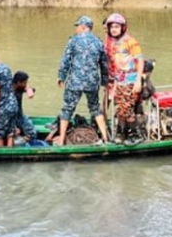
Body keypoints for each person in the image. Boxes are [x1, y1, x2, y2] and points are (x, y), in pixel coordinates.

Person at [56, 16, 110, 146]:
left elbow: (65, 60)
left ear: (83, 26)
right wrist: (105, 82)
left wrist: (61, 77)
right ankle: (105, 138)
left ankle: (62, 139)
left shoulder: (73, 41)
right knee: (95, 108)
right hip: (92, 82)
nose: (76, 29)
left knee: (67, 109)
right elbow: (104, 64)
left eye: (77, 26)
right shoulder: (98, 42)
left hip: (75, 81)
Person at [104, 13, 145, 146]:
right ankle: (121, 134)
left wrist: (138, 80)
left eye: (117, 26)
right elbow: (115, 65)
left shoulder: (130, 41)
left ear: (123, 27)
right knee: (120, 109)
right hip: (119, 80)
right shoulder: (114, 43)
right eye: (112, 27)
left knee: (127, 108)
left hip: (131, 79)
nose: (114, 29)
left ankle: (137, 134)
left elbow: (140, 60)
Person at [12, 71, 38, 142]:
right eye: (25, 82)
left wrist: (27, 88)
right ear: (18, 82)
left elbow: (31, 94)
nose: (26, 84)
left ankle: (22, 139)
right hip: (10, 117)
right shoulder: (8, 90)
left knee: (32, 134)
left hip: (19, 116)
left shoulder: (21, 88)